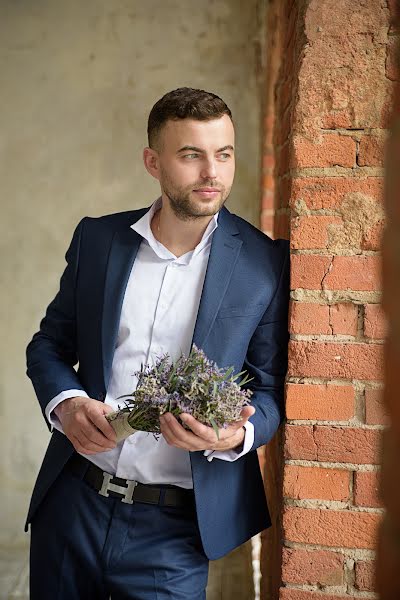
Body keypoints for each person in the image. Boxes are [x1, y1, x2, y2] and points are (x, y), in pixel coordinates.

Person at [26, 87, 289, 600]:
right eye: (191, 155)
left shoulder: (265, 264)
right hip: (73, 504)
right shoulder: (98, 241)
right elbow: (49, 345)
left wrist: (230, 438)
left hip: (174, 530)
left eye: (224, 154)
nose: (212, 172)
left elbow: (271, 393)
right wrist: (68, 403)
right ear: (154, 161)